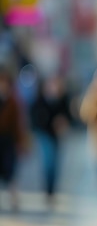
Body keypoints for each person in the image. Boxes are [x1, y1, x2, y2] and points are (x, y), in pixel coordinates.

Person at [29, 73, 72, 208]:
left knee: (55, 163)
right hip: (44, 134)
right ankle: (48, 190)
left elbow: (69, 117)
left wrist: (63, 123)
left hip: (57, 136)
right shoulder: (40, 100)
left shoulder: (63, 100)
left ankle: (52, 190)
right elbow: (34, 118)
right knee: (48, 161)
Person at [0, 64, 29, 211]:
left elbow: (19, 124)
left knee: (11, 172)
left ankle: (13, 199)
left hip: (9, 141)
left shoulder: (13, 101)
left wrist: (21, 143)